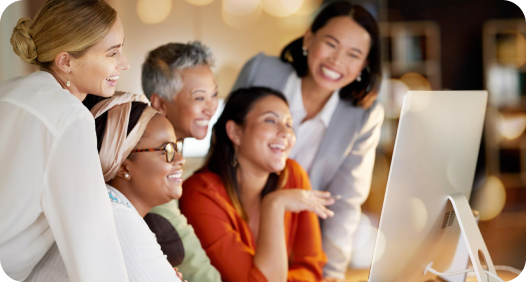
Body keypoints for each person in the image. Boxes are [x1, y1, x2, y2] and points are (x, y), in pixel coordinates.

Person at [231, 1, 384, 280]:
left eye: (353, 54)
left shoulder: (363, 116)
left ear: (365, 64)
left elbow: (343, 202)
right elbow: (224, 144)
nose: (337, 60)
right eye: (331, 43)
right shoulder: (261, 72)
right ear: (309, 38)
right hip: (232, 222)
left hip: (297, 242)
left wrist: (332, 274)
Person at [0, 1, 130, 281]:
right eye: (112, 52)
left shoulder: (7, 91)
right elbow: (94, 248)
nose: (124, 63)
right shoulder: (69, 117)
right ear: (65, 61)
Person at [26, 92, 186, 282]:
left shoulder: (105, 207)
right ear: (122, 166)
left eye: (177, 147)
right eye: (167, 150)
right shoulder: (115, 216)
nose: (181, 159)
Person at [180, 87, 335, 282]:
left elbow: (311, 268)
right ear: (236, 132)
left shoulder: (294, 175)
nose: (286, 133)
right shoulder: (199, 195)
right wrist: (274, 205)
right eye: (270, 120)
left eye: (289, 124)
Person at [141, 42, 222, 282]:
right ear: (160, 104)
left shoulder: (173, 144)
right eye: (199, 98)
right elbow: (174, 237)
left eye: (214, 94)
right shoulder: (150, 152)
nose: (211, 108)